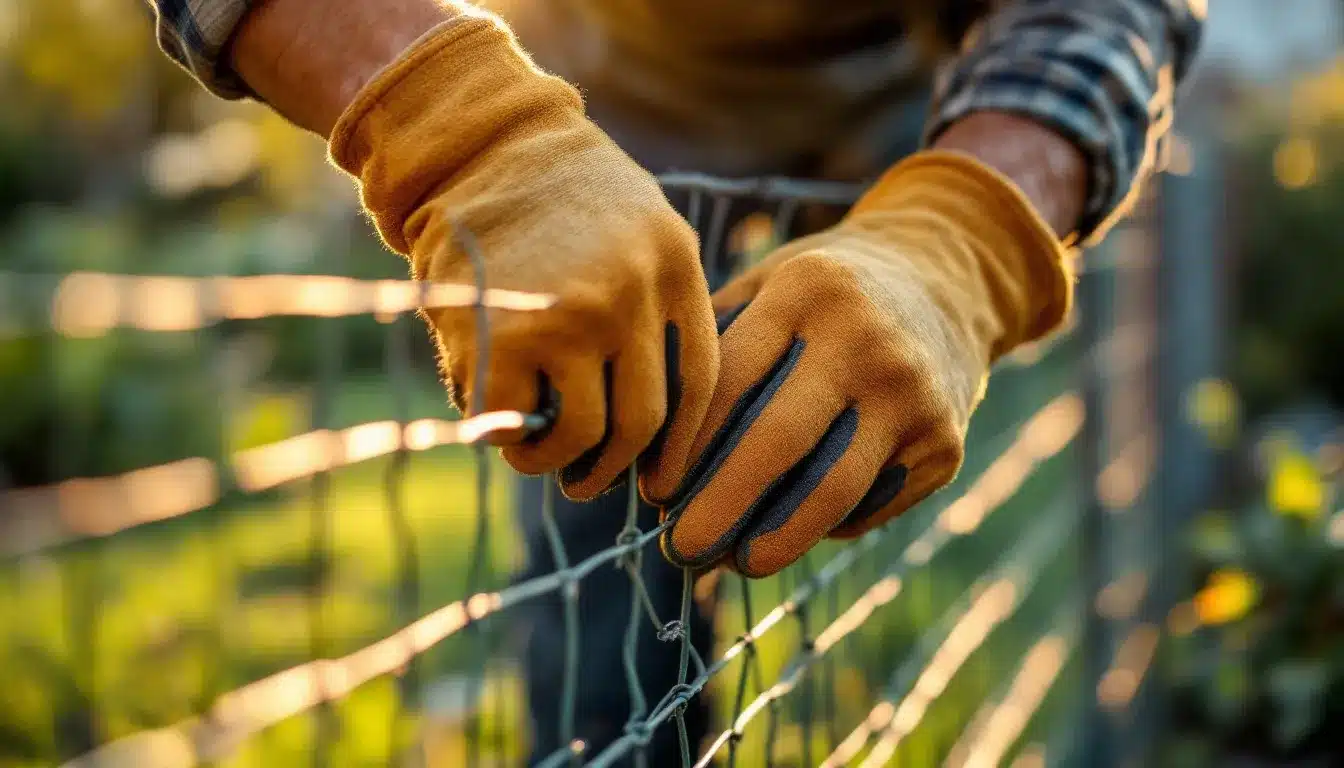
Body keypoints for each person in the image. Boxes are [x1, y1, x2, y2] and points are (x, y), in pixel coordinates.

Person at [148, 0, 1203, 761]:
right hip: (598, 68)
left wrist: (962, 238)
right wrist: (456, 119)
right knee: (596, 547)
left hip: (918, 79)